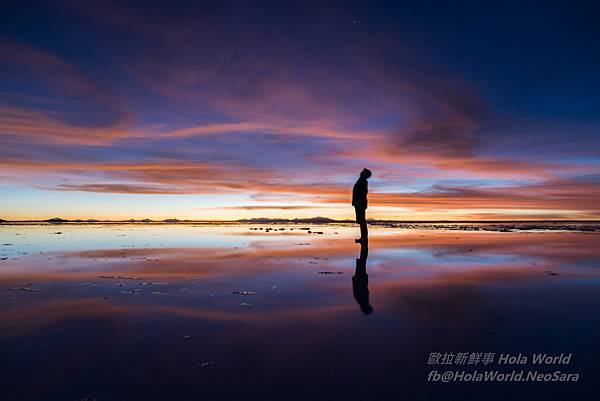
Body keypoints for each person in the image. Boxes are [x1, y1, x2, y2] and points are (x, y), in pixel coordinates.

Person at [352, 168, 371, 243]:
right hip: (359, 203)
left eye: (363, 172)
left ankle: (364, 238)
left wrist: (358, 203)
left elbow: (363, 194)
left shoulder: (363, 181)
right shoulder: (361, 181)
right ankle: (363, 238)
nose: (361, 172)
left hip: (360, 203)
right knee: (361, 220)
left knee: (362, 221)